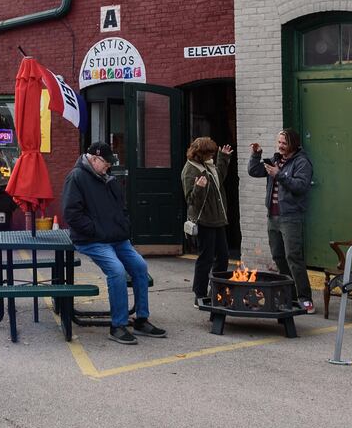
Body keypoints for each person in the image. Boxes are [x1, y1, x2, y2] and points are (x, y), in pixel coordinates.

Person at [61, 140, 167, 345]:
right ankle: (117, 325)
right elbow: (71, 214)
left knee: (140, 266)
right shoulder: (76, 177)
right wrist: (96, 231)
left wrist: (123, 226)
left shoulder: (106, 178)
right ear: (93, 158)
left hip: (116, 238)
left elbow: (121, 207)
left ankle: (141, 319)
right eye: (105, 162)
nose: (108, 166)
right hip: (93, 240)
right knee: (117, 270)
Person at [248, 129, 314, 313]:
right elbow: (253, 171)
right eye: (279, 142)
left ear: (293, 143)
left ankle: (305, 298)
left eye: (284, 143)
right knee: (278, 256)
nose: (280, 146)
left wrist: (279, 175)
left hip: (291, 216)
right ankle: (289, 294)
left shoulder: (302, 162)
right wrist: (256, 155)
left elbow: (300, 186)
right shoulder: (276, 160)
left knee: (294, 257)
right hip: (273, 216)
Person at [181, 137, 235, 305]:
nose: (211, 155)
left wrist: (223, 158)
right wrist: (199, 187)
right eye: (209, 153)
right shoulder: (190, 170)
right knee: (206, 258)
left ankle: (217, 291)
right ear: (200, 153)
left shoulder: (208, 165)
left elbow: (219, 179)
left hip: (218, 219)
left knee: (223, 256)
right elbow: (190, 200)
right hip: (204, 220)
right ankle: (199, 294)